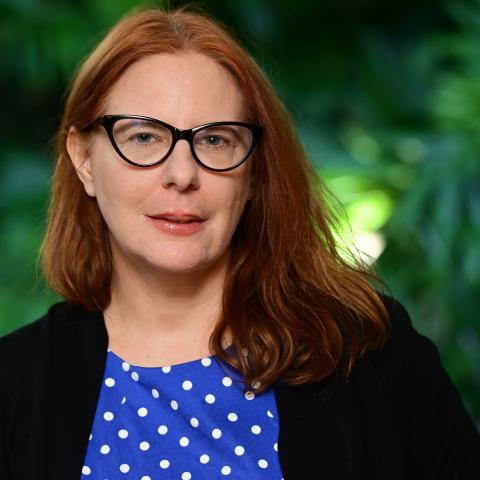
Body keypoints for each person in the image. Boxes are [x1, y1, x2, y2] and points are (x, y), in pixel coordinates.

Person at [1, 5, 479, 480]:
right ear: (84, 159)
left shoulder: (367, 351)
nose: (182, 175)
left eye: (215, 141)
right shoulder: (14, 383)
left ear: (253, 172)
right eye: (143, 137)